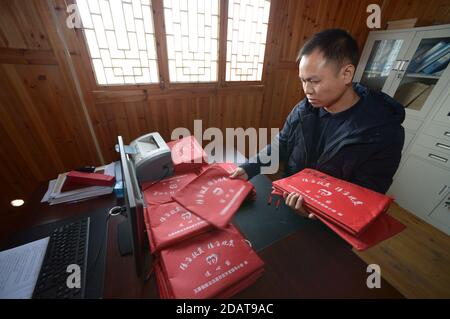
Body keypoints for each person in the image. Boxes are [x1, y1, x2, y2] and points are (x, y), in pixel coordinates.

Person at [230, 28, 405, 219]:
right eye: (303, 81)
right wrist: (249, 168)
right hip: (287, 197)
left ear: (346, 74)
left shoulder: (383, 132)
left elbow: (366, 195)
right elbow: (282, 143)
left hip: (329, 221)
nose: (307, 90)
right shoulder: (304, 109)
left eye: (314, 81)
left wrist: (316, 208)